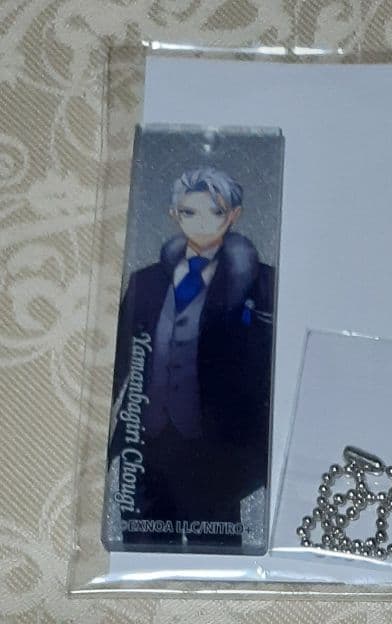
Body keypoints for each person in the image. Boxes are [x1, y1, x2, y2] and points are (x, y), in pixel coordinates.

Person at [107, 166, 274, 550]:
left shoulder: (262, 283)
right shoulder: (146, 282)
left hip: (218, 451)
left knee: (214, 553)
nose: (201, 223)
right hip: (147, 447)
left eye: (215, 212)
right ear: (174, 215)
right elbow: (116, 365)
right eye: (189, 212)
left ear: (233, 215)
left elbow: (269, 372)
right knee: (141, 552)